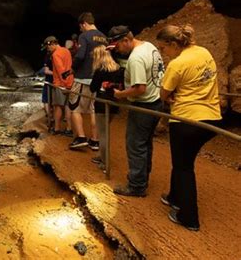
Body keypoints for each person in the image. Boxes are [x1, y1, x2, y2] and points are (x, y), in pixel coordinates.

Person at [156, 24, 222, 231]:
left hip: (187, 121)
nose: (162, 53)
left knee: (184, 167)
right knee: (182, 161)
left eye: (163, 48)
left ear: (173, 44)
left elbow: (163, 94)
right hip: (212, 119)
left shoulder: (177, 64)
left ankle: (189, 218)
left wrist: (172, 94)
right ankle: (174, 197)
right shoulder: (203, 52)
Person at [108, 25, 165, 197]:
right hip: (156, 102)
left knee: (135, 145)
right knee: (145, 143)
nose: (116, 50)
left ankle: (137, 186)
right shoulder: (149, 46)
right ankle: (142, 177)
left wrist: (120, 94)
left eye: (117, 46)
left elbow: (140, 88)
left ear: (126, 40)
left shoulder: (136, 58)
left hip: (144, 105)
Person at [68, 12, 107, 150]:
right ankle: (95, 141)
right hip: (98, 80)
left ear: (84, 23)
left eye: (81, 27)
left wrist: (72, 68)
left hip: (83, 78)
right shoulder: (104, 37)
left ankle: (81, 138)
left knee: (75, 108)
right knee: (93, 110)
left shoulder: (84, 36)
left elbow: (80, 55)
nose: (81, 30)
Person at [89, 45, 125, 171]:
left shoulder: (100, 71)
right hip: (114, 104)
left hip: (101, 104)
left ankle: (105, 163)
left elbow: (92, 88)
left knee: (102, 134)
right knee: (105, 130)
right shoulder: (119, 69)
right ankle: (101, 155)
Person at [42, 36, 74, 135]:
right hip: (70, 82)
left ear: (52, 44)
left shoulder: (55, 54)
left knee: (57, 107)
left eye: (48, 47)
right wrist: (69, 84)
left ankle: (57, 129)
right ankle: (69, 128)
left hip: (60, 84)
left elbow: (61, 71)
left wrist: (63, 85)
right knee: (68, 107)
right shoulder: (66, 51)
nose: (48, 49)